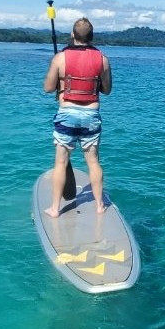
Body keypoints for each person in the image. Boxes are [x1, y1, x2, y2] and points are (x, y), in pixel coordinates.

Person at [42, 17, 113, 216]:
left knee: (61, 162)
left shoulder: (60, 58)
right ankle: (99, 206)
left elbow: (48, 88)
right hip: (91, 114)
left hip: (67, 113)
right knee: (93, 162)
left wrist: (60, 81)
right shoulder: (103, 59)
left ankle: (55, 208)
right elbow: (107, 90)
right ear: (92, 37)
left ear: (73, 34)